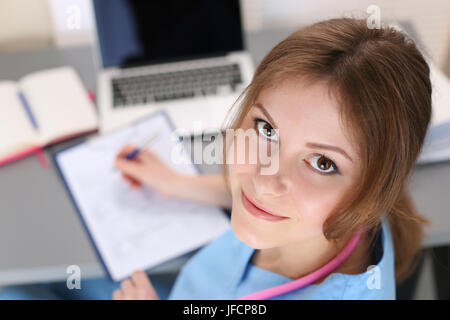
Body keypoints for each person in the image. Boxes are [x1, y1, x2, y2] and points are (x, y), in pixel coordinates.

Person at [0, 17, 431, 300]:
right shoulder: (335, 219)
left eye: (322, 163)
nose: (263, 181)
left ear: (374, 189)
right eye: (266, 129)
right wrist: (178, 184)